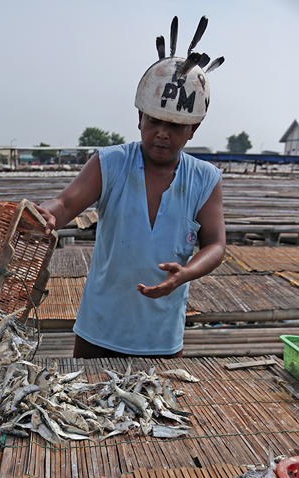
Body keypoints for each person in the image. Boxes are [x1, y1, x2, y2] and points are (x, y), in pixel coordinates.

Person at [34, 16, 226, 359]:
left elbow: (215, 244)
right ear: (139, 117)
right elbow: (66, 203)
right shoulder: (110, 163)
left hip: (162, 336)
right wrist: (46, 214)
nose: (162, 133)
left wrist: (185, 273)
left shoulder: (205, 178)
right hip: (99, 330)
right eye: (154, 121)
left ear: (193, 130)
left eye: (175, 126)